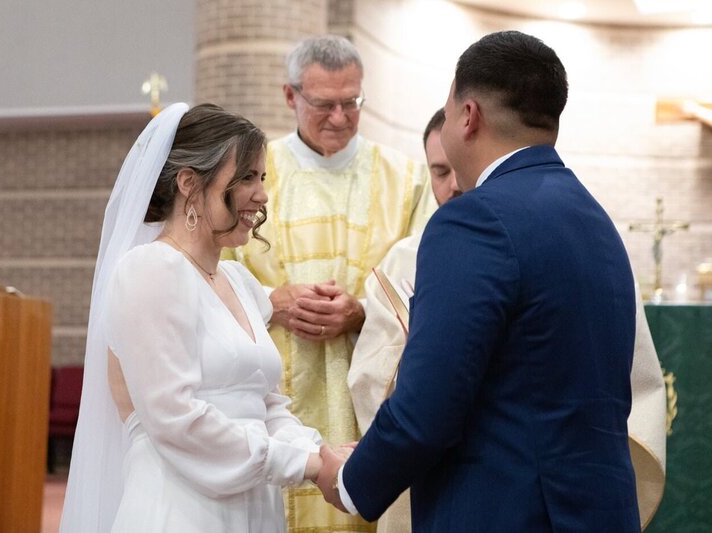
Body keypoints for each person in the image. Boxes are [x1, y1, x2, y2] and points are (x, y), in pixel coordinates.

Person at [318, 30, 642, 532]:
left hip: (506, 512)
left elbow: (428, 407)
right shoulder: (594, 220)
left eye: (445, 113)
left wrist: (351, 481)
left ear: (468, 117)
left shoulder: (475, 221)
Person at [60, 103, 324, 533]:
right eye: (245, 178)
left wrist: (321, 453)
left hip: (255, 508)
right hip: (181, 509)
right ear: (189, 183)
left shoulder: (239, 281)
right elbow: (177, 417)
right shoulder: (150, 270)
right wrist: (302, 465)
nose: (260, 195)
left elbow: (269, 403)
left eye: (262, 178)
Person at [226, 34, 436, 532]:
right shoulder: (252, 173)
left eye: (352, 103)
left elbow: (427, 282)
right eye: (323, 104)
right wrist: (273, 302)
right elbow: (213, 268)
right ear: (290, 96)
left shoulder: (405, 179)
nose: (339, 117)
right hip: (270, 392)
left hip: (368, 393)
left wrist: (363, 310)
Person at [346, 107, 459, 533]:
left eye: (459, 169)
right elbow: (368, 376)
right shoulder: (404, 260)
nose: (452, 186)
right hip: (422, 469)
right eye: (439, 172)